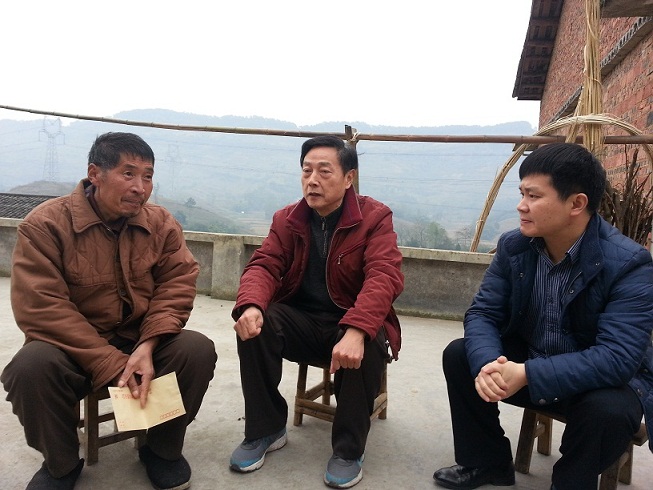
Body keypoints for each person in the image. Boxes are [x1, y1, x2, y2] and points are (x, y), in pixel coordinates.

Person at [1, 132, 217, 490]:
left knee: (196, 349)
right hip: (74, 349)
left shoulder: (160, 223)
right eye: (128, 174)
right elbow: (42, 306)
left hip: (139, 339)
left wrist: (148, 344)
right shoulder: (46, 225)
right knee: (30, 367)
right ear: (95, 174)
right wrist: (110, 361)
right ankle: (61, 464)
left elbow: (177, 283)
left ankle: (161, 450)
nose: (139, 187)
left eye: (147, 176)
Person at [433, 143, 653, 490]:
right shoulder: (515, 247)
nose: (521, 205)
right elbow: (483, 312)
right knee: (461, 355)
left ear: (576, 204)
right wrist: (490, 364)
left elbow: (617, 358)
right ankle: (487, 462)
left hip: (592, 383)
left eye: (534, 196)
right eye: (522, 193)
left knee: (608, 410)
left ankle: (569, 483)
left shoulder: (629, 264)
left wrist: (528, 374)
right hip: (532, 360)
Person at [229, 135, 404, 488]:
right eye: (307, 171)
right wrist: (251, 305)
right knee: (257, 324)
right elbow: (264, 264)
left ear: (349, 177)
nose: (313, 180)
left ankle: (348, 450)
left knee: (369, 338)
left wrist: (357, 328)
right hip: (302, 323)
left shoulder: (374, 217)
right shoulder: (288, 219)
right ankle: (266, 429)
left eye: (324, 171)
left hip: (347, 321)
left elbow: (384, 275)